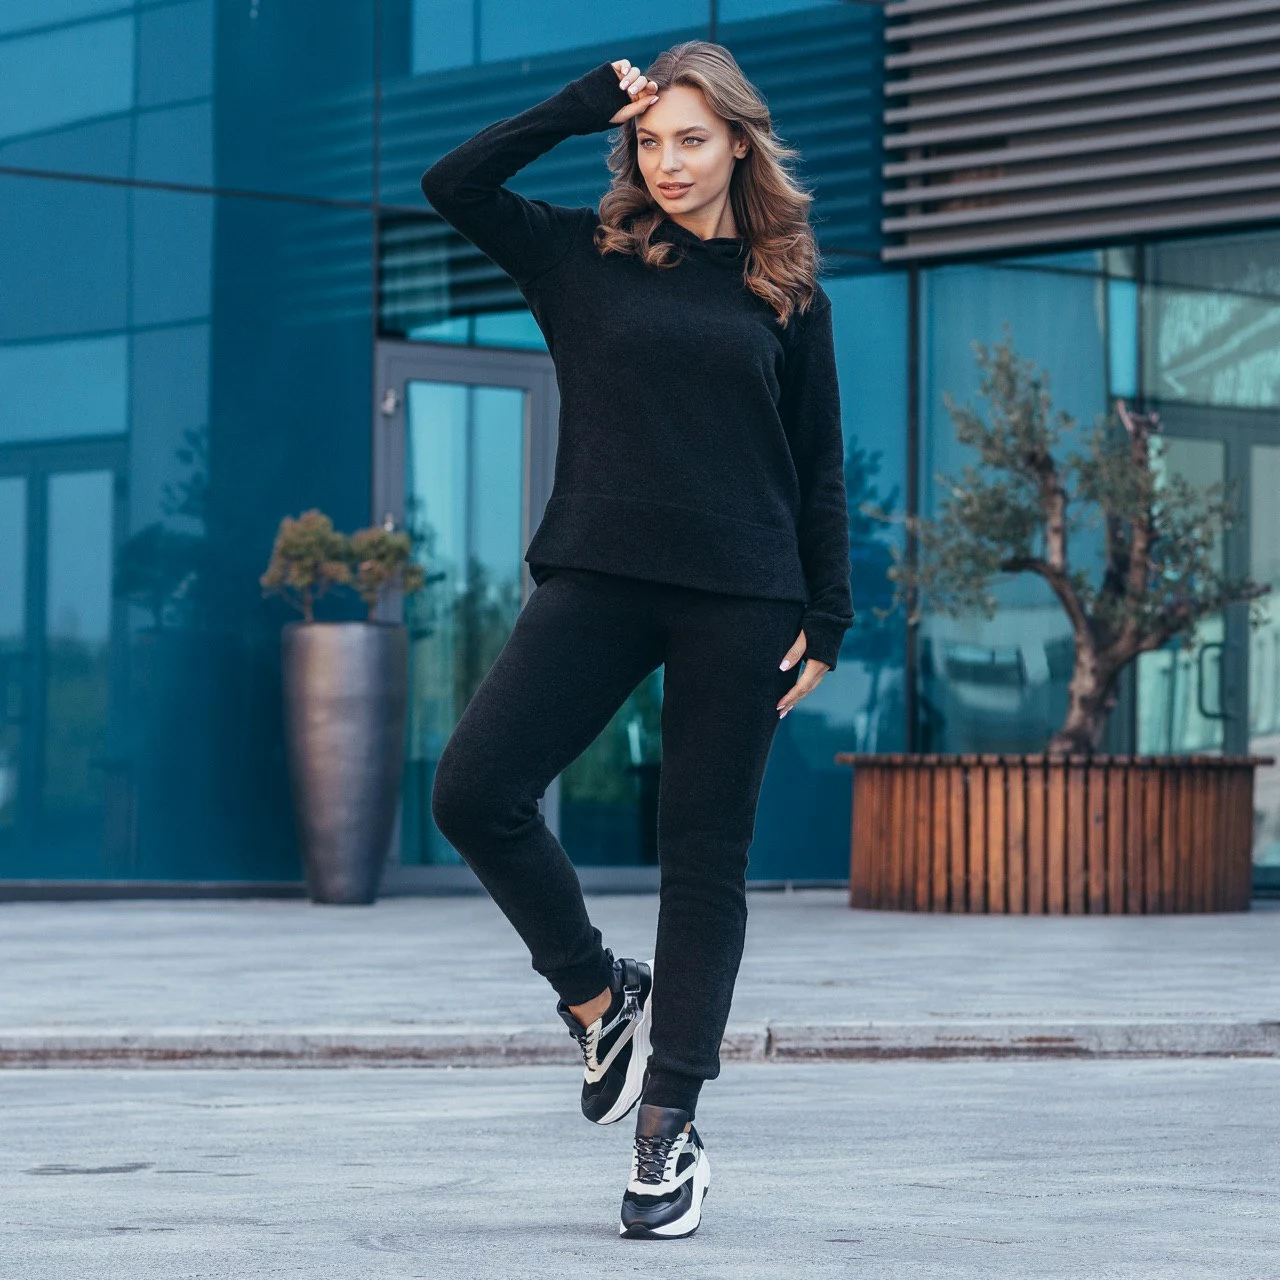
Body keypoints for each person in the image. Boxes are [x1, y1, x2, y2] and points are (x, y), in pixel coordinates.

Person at [421, 40, 853, 1240]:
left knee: (702, 857)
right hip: (600, 574)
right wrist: (577, 106)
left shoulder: (788, 290)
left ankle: (668, 1126)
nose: (668, 161)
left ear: (739, 145)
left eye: (692, 139)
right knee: (474, 789)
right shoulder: (578, 253)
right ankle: (595, 990)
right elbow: (452, 184)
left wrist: (827, 614)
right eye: (650, 140)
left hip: (745, 597)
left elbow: (818, 464)